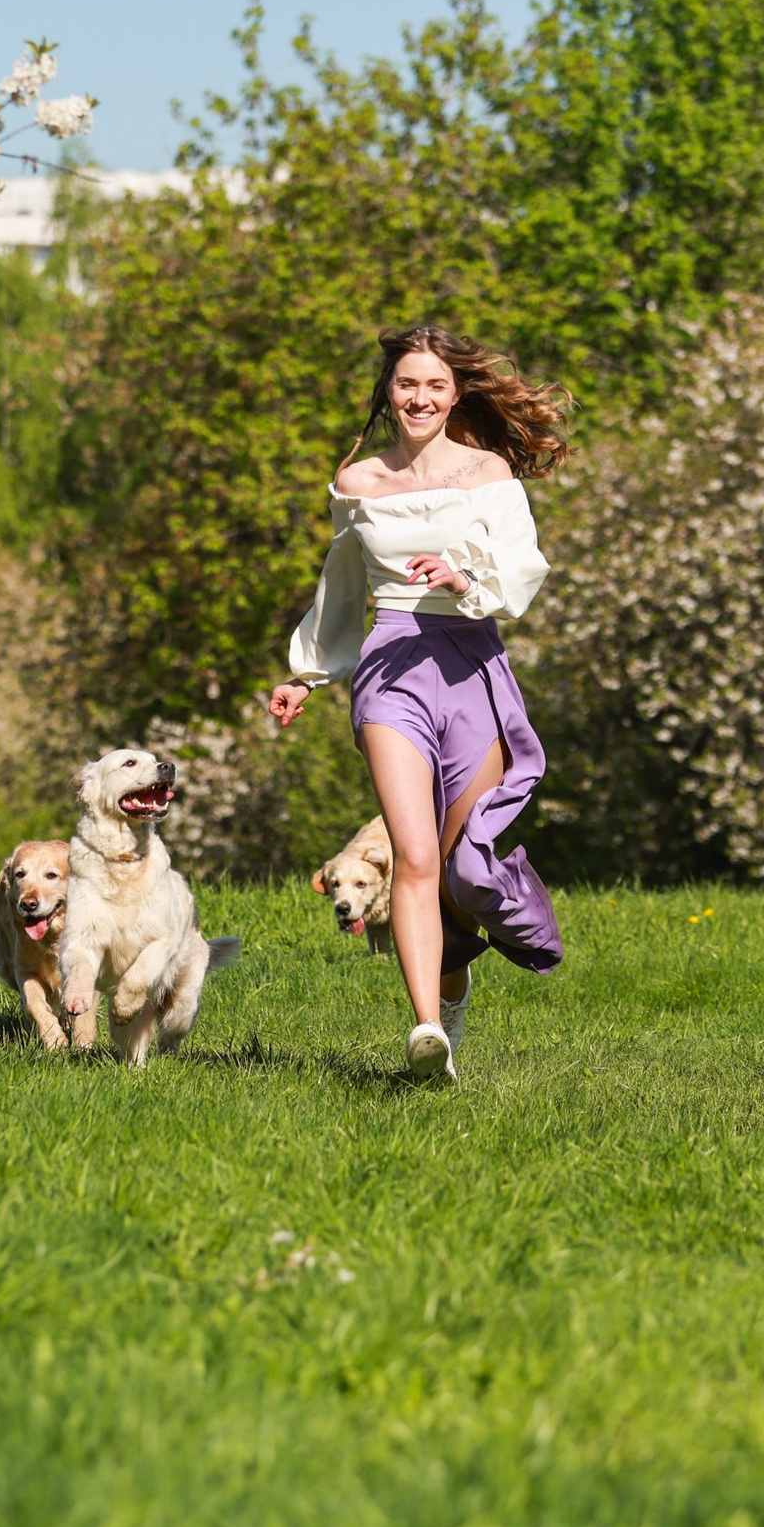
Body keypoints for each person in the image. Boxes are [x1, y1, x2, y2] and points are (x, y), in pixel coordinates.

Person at [268, 325, 569, 1082]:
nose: (420, 398)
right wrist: (307, 674)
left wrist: (464, 581)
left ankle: (454, 1001)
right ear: (389, 391)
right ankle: (426, 1027)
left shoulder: (488, 472)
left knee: (464, 869)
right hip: (391, 666)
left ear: (456, 393)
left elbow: (523, 569)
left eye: (436, 385)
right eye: (407, 384)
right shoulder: (359, 481)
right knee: (415, 854)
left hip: (469, 663)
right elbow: (341, 585)